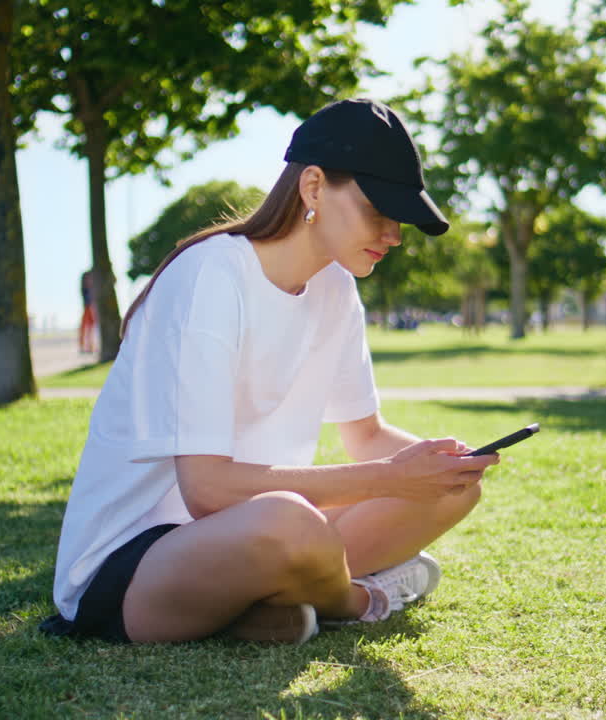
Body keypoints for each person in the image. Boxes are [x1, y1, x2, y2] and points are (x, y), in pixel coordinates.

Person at [44, 99, 500, 646]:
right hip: (131, 569)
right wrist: (388, 478)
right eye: (378, 210)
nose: (394, 235)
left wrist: (442, 464)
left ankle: (277, 605)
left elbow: (367, 435)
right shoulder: (212, 275)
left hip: (256, 539)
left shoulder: (335, 288)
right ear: (312, 188)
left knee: (452, 490)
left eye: (398, 218)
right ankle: (360, 600)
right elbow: (207, 491)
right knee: (287, 521)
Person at [79, 269, 97, 354]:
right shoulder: (86, 290)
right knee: (86, 328)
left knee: (90, 329)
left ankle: (90, 347)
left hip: (90, 309)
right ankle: (86, 347)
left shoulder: (90, 290)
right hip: (88, 309)